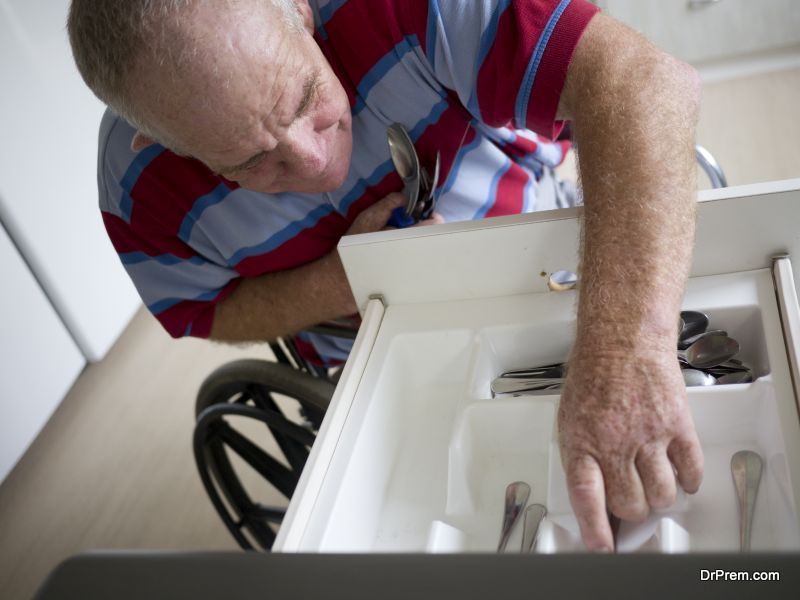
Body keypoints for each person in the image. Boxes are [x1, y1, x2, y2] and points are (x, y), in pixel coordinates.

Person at [68, 0, 704, 552]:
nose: (318, 163)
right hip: (369, 355)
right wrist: (348, 277)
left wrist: (624, 350)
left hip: (541, 254)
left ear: (299, 10)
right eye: (251, 160)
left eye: (303, 96)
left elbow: (645, 81)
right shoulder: (135, 193)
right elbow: (204, 313)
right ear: (160, 143)